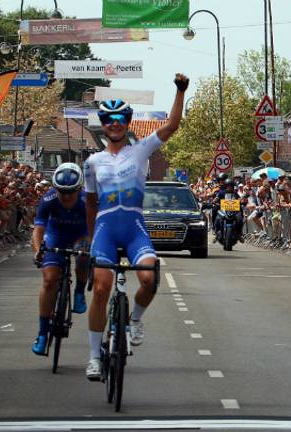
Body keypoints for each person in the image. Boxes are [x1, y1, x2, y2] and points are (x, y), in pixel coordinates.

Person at [83, 74, 189, 380]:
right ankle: (93, 357)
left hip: (134, 228)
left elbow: (171, 126)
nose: (114, 124)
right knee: (101, 290)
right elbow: (90, 204)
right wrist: (91, 239)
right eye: (109, 119)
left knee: (149, 278)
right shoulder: (92, 162)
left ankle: (135, 319)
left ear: (128, 122)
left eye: (120, 119)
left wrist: (180, 92)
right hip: (105, 230)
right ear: (103, 124)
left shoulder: (140, 150)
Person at [30, 163, 89, 356]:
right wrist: (38, 251)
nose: (66, 196)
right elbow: (38, 231)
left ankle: (79, 290)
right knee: (49, 281)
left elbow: (96, 229)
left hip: (81, 234)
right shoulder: (48, 199)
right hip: (56, 235)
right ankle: (42, 333)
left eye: (71, 192)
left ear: (79, 188)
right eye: (62, 191)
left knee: (82, 257)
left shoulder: (88, 200)